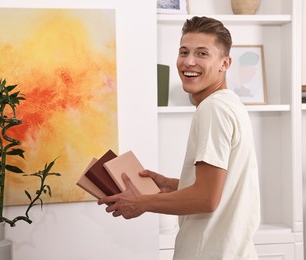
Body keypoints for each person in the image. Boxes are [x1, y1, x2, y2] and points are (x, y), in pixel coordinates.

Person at [98, 16, 261, 259]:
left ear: (225, 63)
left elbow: (207, 198)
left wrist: (142, 202)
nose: (189, 62)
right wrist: (172, 185)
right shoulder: (230, 103)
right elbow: (222, 187)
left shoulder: (213, 109)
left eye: (202, 53)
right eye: (184, 52)